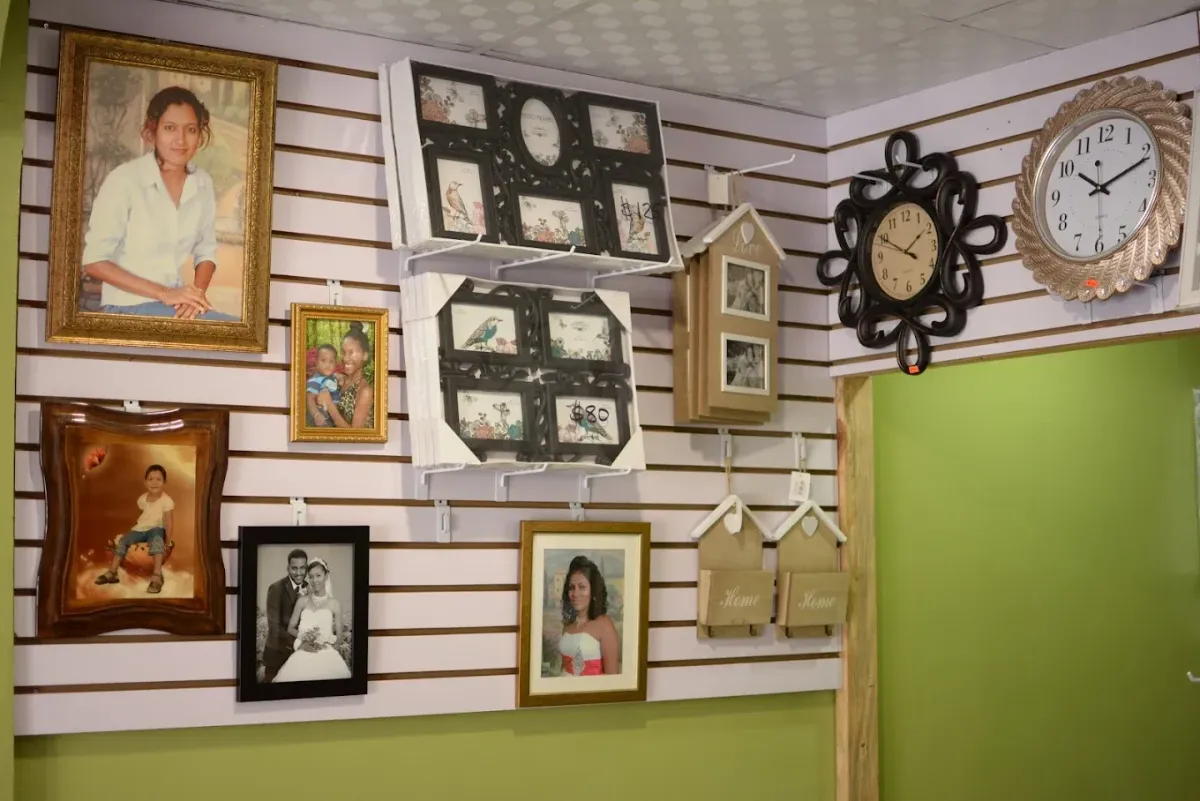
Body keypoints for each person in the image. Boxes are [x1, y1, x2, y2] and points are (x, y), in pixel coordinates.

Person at [81, 85, 237, 321]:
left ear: (200, 135)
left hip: (172, 307)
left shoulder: (202, 184)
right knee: (230, 330)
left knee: (233, 329)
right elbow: (94, 261)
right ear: (152, 131)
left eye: (191, 129)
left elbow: (206, 252)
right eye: (169, 128)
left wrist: (195, 298)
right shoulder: (124, 180)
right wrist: (165, 294)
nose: (181, 140)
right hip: (125, 308)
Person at [94, 464, 173, 594]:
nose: (154, 482)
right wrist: (137, 528)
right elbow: (144, 514)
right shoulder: (142, 499)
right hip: (141, 529)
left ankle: (157, 575)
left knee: (157, 540)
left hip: (157, 529)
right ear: (145, 482)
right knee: (123, 540)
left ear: (164, 482)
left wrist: (168, 541)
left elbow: (169, 522)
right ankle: (113, 572)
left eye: (158, 479)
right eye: (150, 479)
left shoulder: (167, 501)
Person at [273, 558, 352, 683]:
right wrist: (304, 638)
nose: (314, 580)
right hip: (303, 650)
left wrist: (325, 640)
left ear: (326, 576)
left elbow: (340, 637)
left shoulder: (334, 604)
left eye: (318, 576)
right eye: (311, 577)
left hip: (326, 654)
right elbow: (290, 628)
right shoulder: (302, 601)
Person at [557, 555, 619, 676]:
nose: (575, 593)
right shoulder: (568, 624)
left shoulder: (605, 625)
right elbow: (564, 667)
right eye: (571, 588)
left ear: (593, 590)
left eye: (582, 587)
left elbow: (613, 678)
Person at [262, 548, 308, 684]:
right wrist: (299, 643)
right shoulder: (276, 588)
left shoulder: (308, 588)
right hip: (277, 655)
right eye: (294, 568)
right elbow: (274, 627)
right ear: (288, 568)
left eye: (302, 568)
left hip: (299, 656)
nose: (299, 573)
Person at [316, 322, 374, 429]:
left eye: (351, 353)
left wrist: (329, 404)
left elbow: (355, 436)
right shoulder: (338, 381)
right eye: (343, 352)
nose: (345, 358)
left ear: (365, 355)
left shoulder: (364, 391)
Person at [306, 344, 342, 426]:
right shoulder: (315, 380)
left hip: (332, 419)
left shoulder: (333, 378)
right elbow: (310, 399)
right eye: (323, 360)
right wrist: (316, 415)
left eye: (331, 361)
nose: (327, 365)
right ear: (317, 363)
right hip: (320, 420)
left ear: (335, 364)